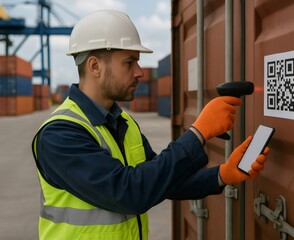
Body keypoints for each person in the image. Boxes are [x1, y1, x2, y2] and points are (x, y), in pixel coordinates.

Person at [32, 10, 269, 240]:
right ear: (95, 66)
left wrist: (221, 175)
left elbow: (160, 181)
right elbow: (129, 193)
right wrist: (199, 132)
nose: (139, 73)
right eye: (129, 62)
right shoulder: (59, 134)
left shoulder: (124, 122)